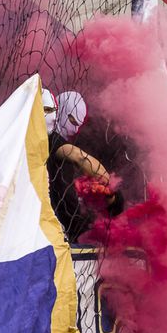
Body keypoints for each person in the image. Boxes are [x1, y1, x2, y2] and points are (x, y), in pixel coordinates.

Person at [45, 90, 123, 242]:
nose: (74, 129)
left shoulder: (53, 139)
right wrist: (110, 184)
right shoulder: (51, 139)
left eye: (78, 125)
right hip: (57, 228)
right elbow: (79, 157)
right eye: (72, 121)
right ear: (59, 110)